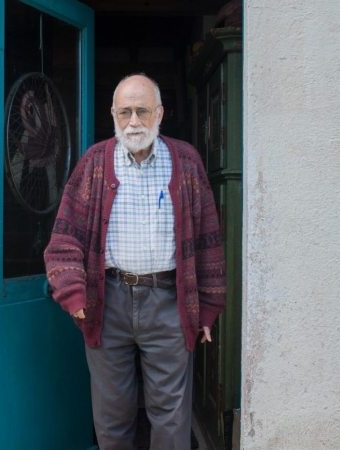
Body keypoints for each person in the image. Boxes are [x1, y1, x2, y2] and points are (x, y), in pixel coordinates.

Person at [44, 74, 226, 450]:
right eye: (124, 112)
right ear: (113, 114)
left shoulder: (186, 161)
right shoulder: (94, 162)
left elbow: (209, 238)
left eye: (142, 111)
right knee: (111, 417)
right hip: (105, 301)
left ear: (159, 113)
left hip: (169, 302)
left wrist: (207, 307)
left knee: (172, 417)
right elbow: (64, 238)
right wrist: (74, 296)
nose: (133, 122)